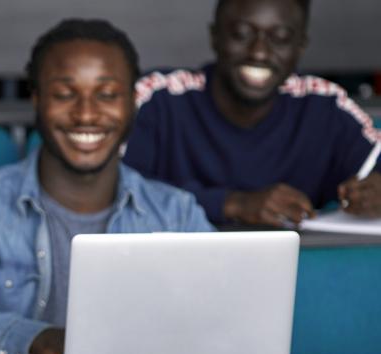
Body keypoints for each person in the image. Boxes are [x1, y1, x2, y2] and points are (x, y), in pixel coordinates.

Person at [0, 19, 214, 354]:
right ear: (37, 100)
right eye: (64, 94)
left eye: (106, 94)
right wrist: (38, 340)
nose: (86, 114)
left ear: (133, 103)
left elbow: (218, 317)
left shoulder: (177, 212)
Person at [123, 0, 381, 226]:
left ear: (300, 46)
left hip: (303, 272)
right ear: (215, 36)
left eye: (279, 37)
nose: (259, 52)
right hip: (173, 268)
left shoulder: (324, 104)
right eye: (241, 34)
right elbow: (107, 186)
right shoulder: (158, 97)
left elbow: (375, 166)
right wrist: (233, 204)